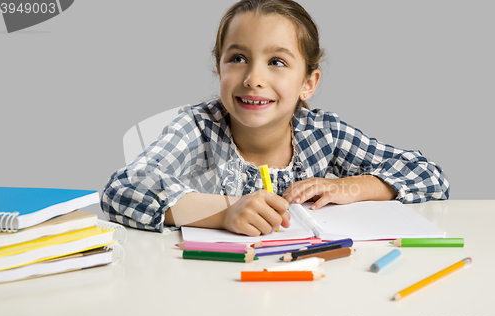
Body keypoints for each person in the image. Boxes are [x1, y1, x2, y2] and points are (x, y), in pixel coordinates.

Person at [101, 0, 449, 236]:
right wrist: (224, 212)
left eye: (277, 62)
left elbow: (429, 175)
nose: (253, 78)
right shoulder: (199, 128)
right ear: (218, 67)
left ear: (308, 84)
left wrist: (348, 187)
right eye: (237, 58)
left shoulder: (324, 133)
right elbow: (123, 189)